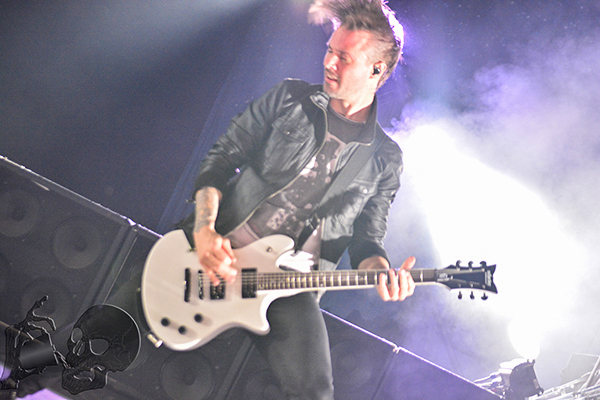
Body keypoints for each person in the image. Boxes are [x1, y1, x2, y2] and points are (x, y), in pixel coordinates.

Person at [183, 0, 416, 398]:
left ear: (377, 69)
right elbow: (219, 161)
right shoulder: (289, 97)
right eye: (330, 50)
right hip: (216, 250)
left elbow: (366, 240)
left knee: (314, 391)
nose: (329, 63)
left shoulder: (385, 158)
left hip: (288, 285)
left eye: (344, 57)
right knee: (105, 328)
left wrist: (383, 272)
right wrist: (204, 229)